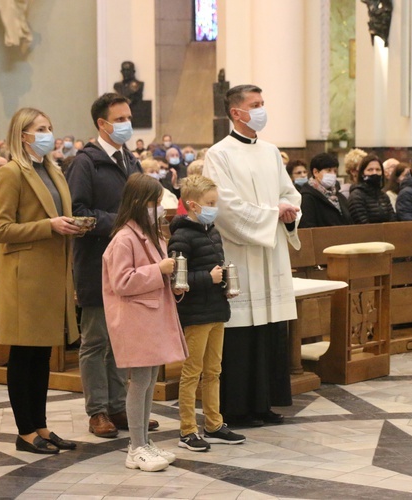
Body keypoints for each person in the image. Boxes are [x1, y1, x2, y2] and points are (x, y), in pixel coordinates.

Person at [204, 84, 301, 427]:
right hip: (240, 254)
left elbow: (290, 193)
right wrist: (271, 214)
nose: (262, 110)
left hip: (270, 252)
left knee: (269, 330)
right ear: (236, 112)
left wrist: (288, 212)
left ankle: (263, 404)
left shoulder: (272, 151)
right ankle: (236, 408)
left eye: (263, 103)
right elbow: (225, 206)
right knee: (243, 332)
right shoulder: (218, 154)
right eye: (255, 104)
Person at [66, 93, 157, 439]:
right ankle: (98, 410)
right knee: (96, 339)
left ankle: (120, 406)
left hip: (128, 263)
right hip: (95, 262)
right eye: (120, 119)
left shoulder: (129, 160)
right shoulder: (85, 163)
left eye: (128, 117)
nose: (127, 124)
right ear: (102, 124)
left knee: (123, 338)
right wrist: (121, 223)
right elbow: (79, 213)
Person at [0, 107, 81, 455]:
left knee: (42, 355)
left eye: (50, 127)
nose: (48, 133)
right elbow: (1, 230)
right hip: (24, 277)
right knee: (24, 355)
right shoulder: (11, 173)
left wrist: (72, 224)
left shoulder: (51, 170)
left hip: (51, 274)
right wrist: (50, 226)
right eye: (40, 128)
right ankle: (25, 431)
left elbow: (59, 215)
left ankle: (41, 425)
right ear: (23, 134)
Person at [103, 173, 187, 471]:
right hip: (135, 319)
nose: (158, 208)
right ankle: (135, 446)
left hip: (152, 317)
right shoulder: (124, 239)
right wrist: (158, 269)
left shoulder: (150, 234)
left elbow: (157, 274)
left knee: (150, 380)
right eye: (154, 202)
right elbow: (122, 282)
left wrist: (173, 281)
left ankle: (143, 442)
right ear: (140, 203)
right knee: (139, 382)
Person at [168, 175, 246, 452]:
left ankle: (213, 424)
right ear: (192, 205)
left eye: (216, 202)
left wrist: (225, 281)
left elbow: (216, 266)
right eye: (209, 203)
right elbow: (176, 279)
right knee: (192, 372)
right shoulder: (181, 236)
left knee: (214, 371)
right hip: (195, 313)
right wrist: (207, 278)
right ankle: (187, 430)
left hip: (216, 309)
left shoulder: (212, 231)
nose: (215, 207)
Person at [299, 153, 352, 228]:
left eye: (335, 171)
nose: (333, 174)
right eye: (328, 170)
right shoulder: (307, 197)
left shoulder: (339, 196)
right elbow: (307, 227)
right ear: (316, 172)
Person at [348, 154, 395, 224]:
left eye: (378, 170)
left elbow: (393, 220)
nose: (374, 173)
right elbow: (362, 223)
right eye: (370, 170)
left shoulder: (383, 196)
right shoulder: (356, 196)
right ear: (362, 173)